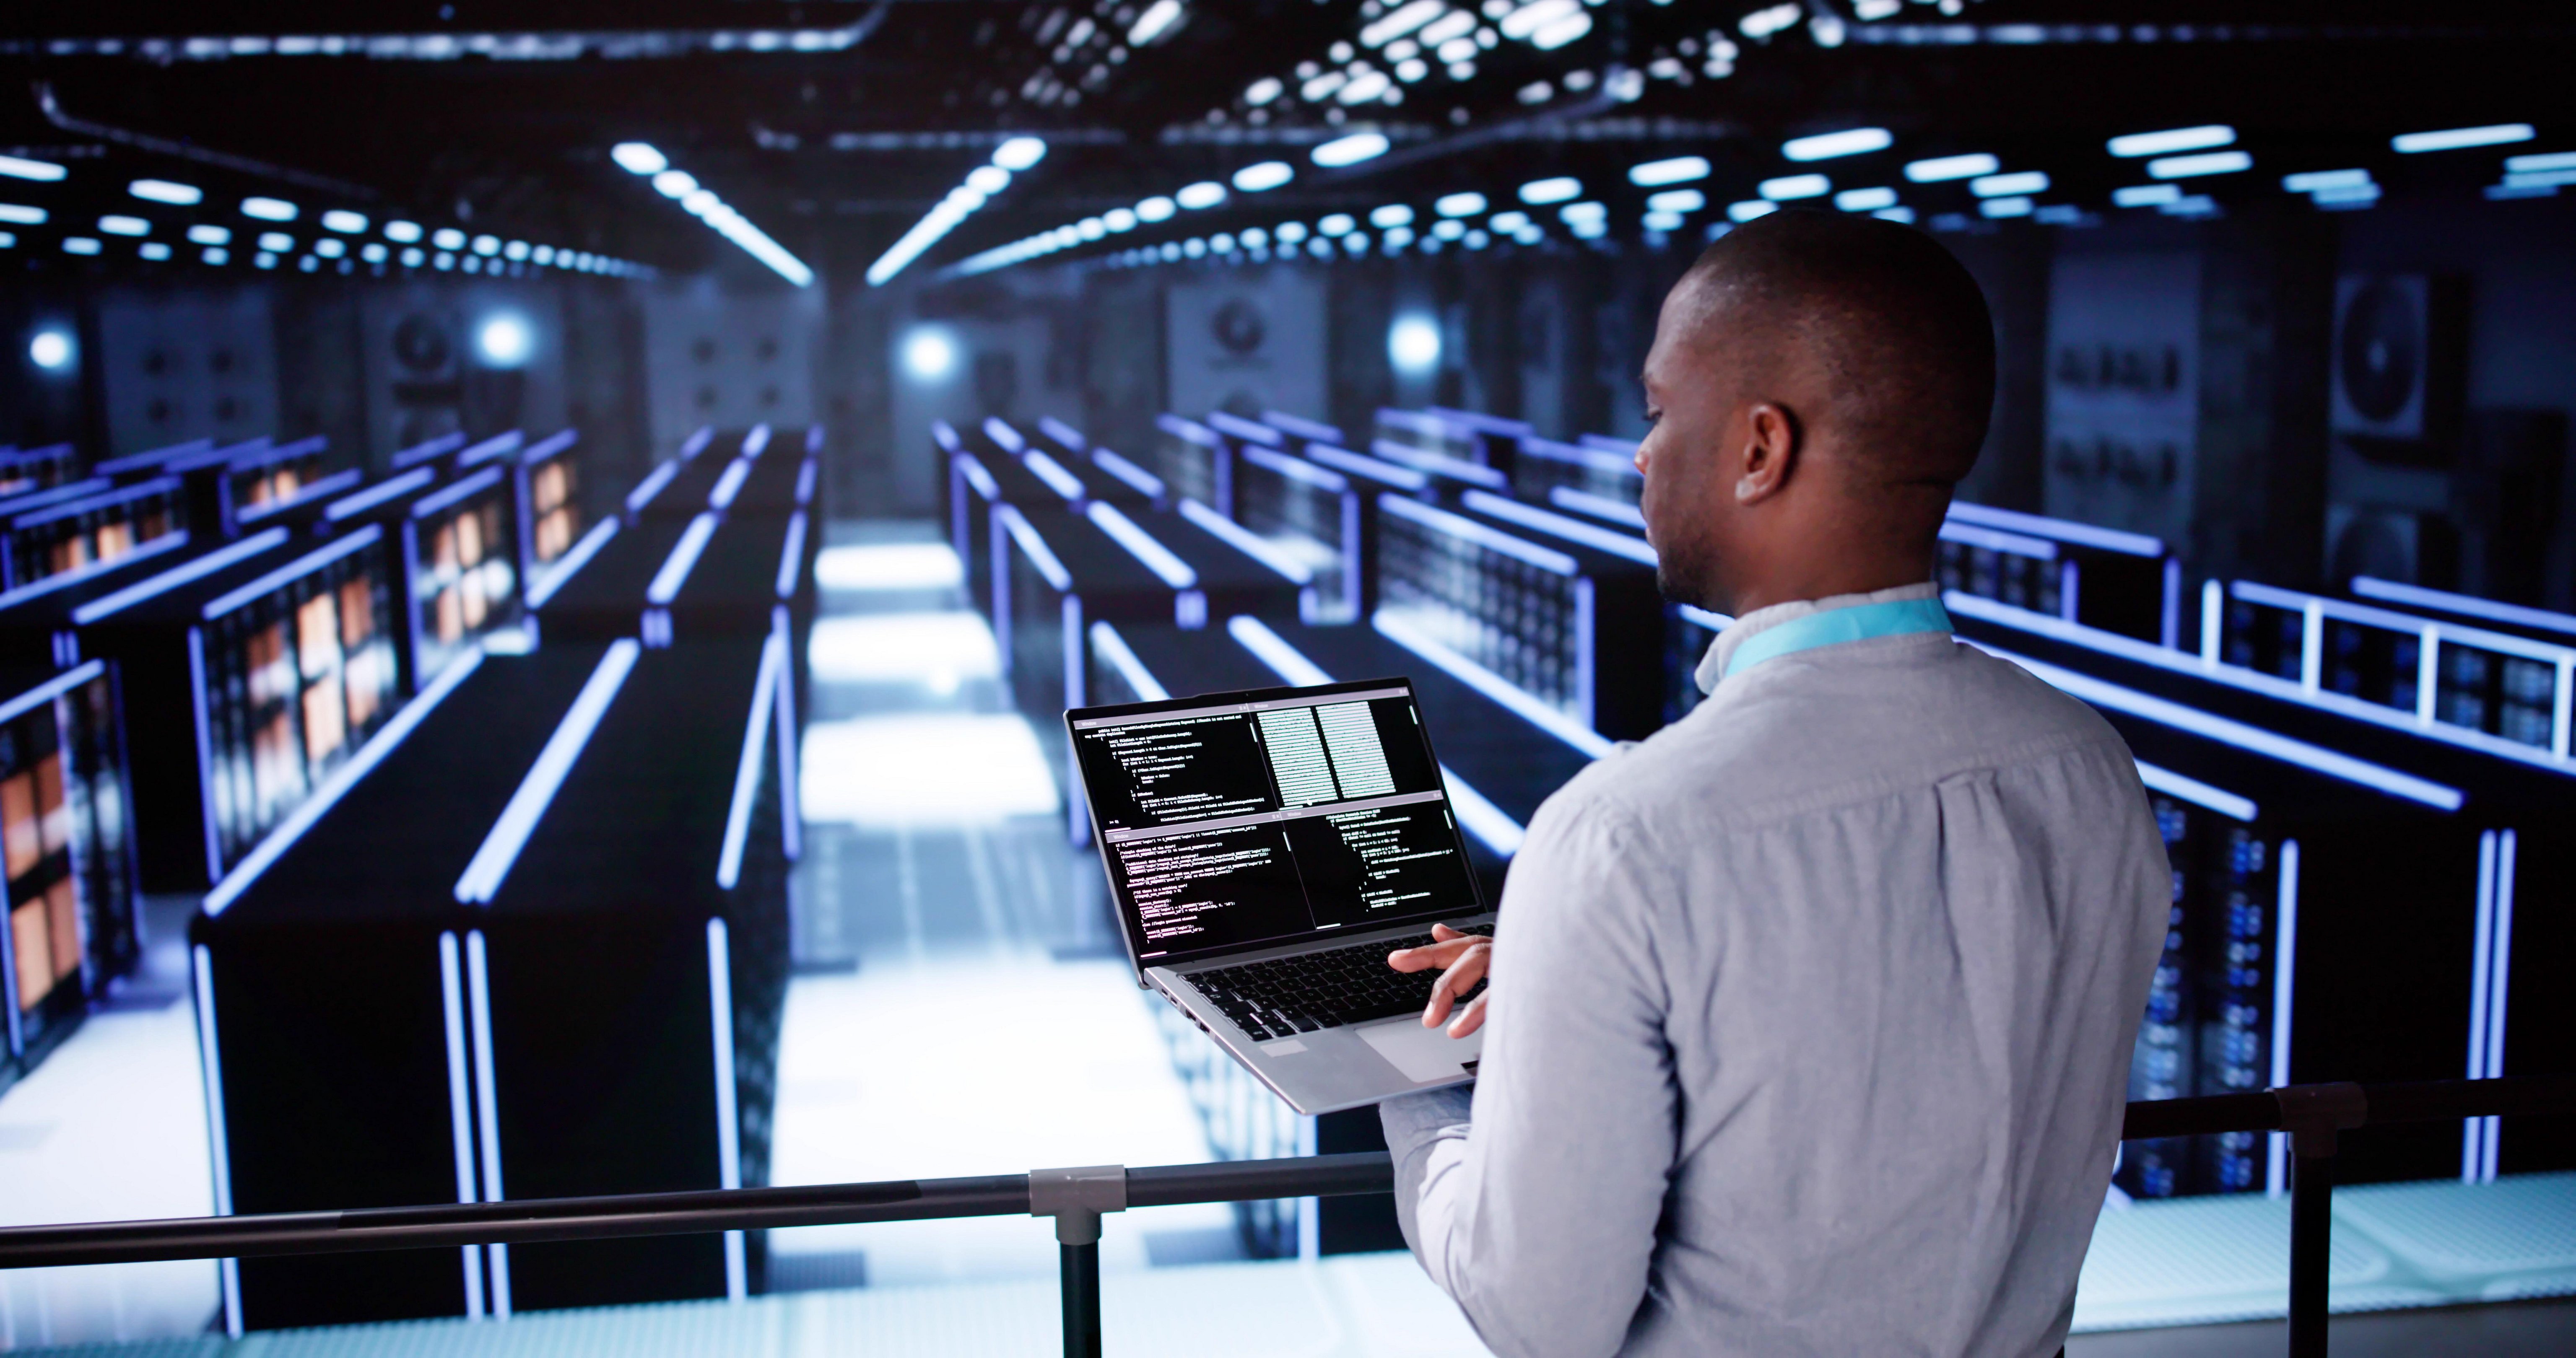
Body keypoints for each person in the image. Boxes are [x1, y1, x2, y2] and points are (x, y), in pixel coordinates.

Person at [1378, 210, 2170, 1358]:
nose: (1642, 453)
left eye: (1660, 411)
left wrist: (1420, 1082)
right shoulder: (2090, 770)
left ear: (1760, 448)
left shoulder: (1622, 840)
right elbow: (1895, 1067)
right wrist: (1571, 991)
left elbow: (1540, 1317)